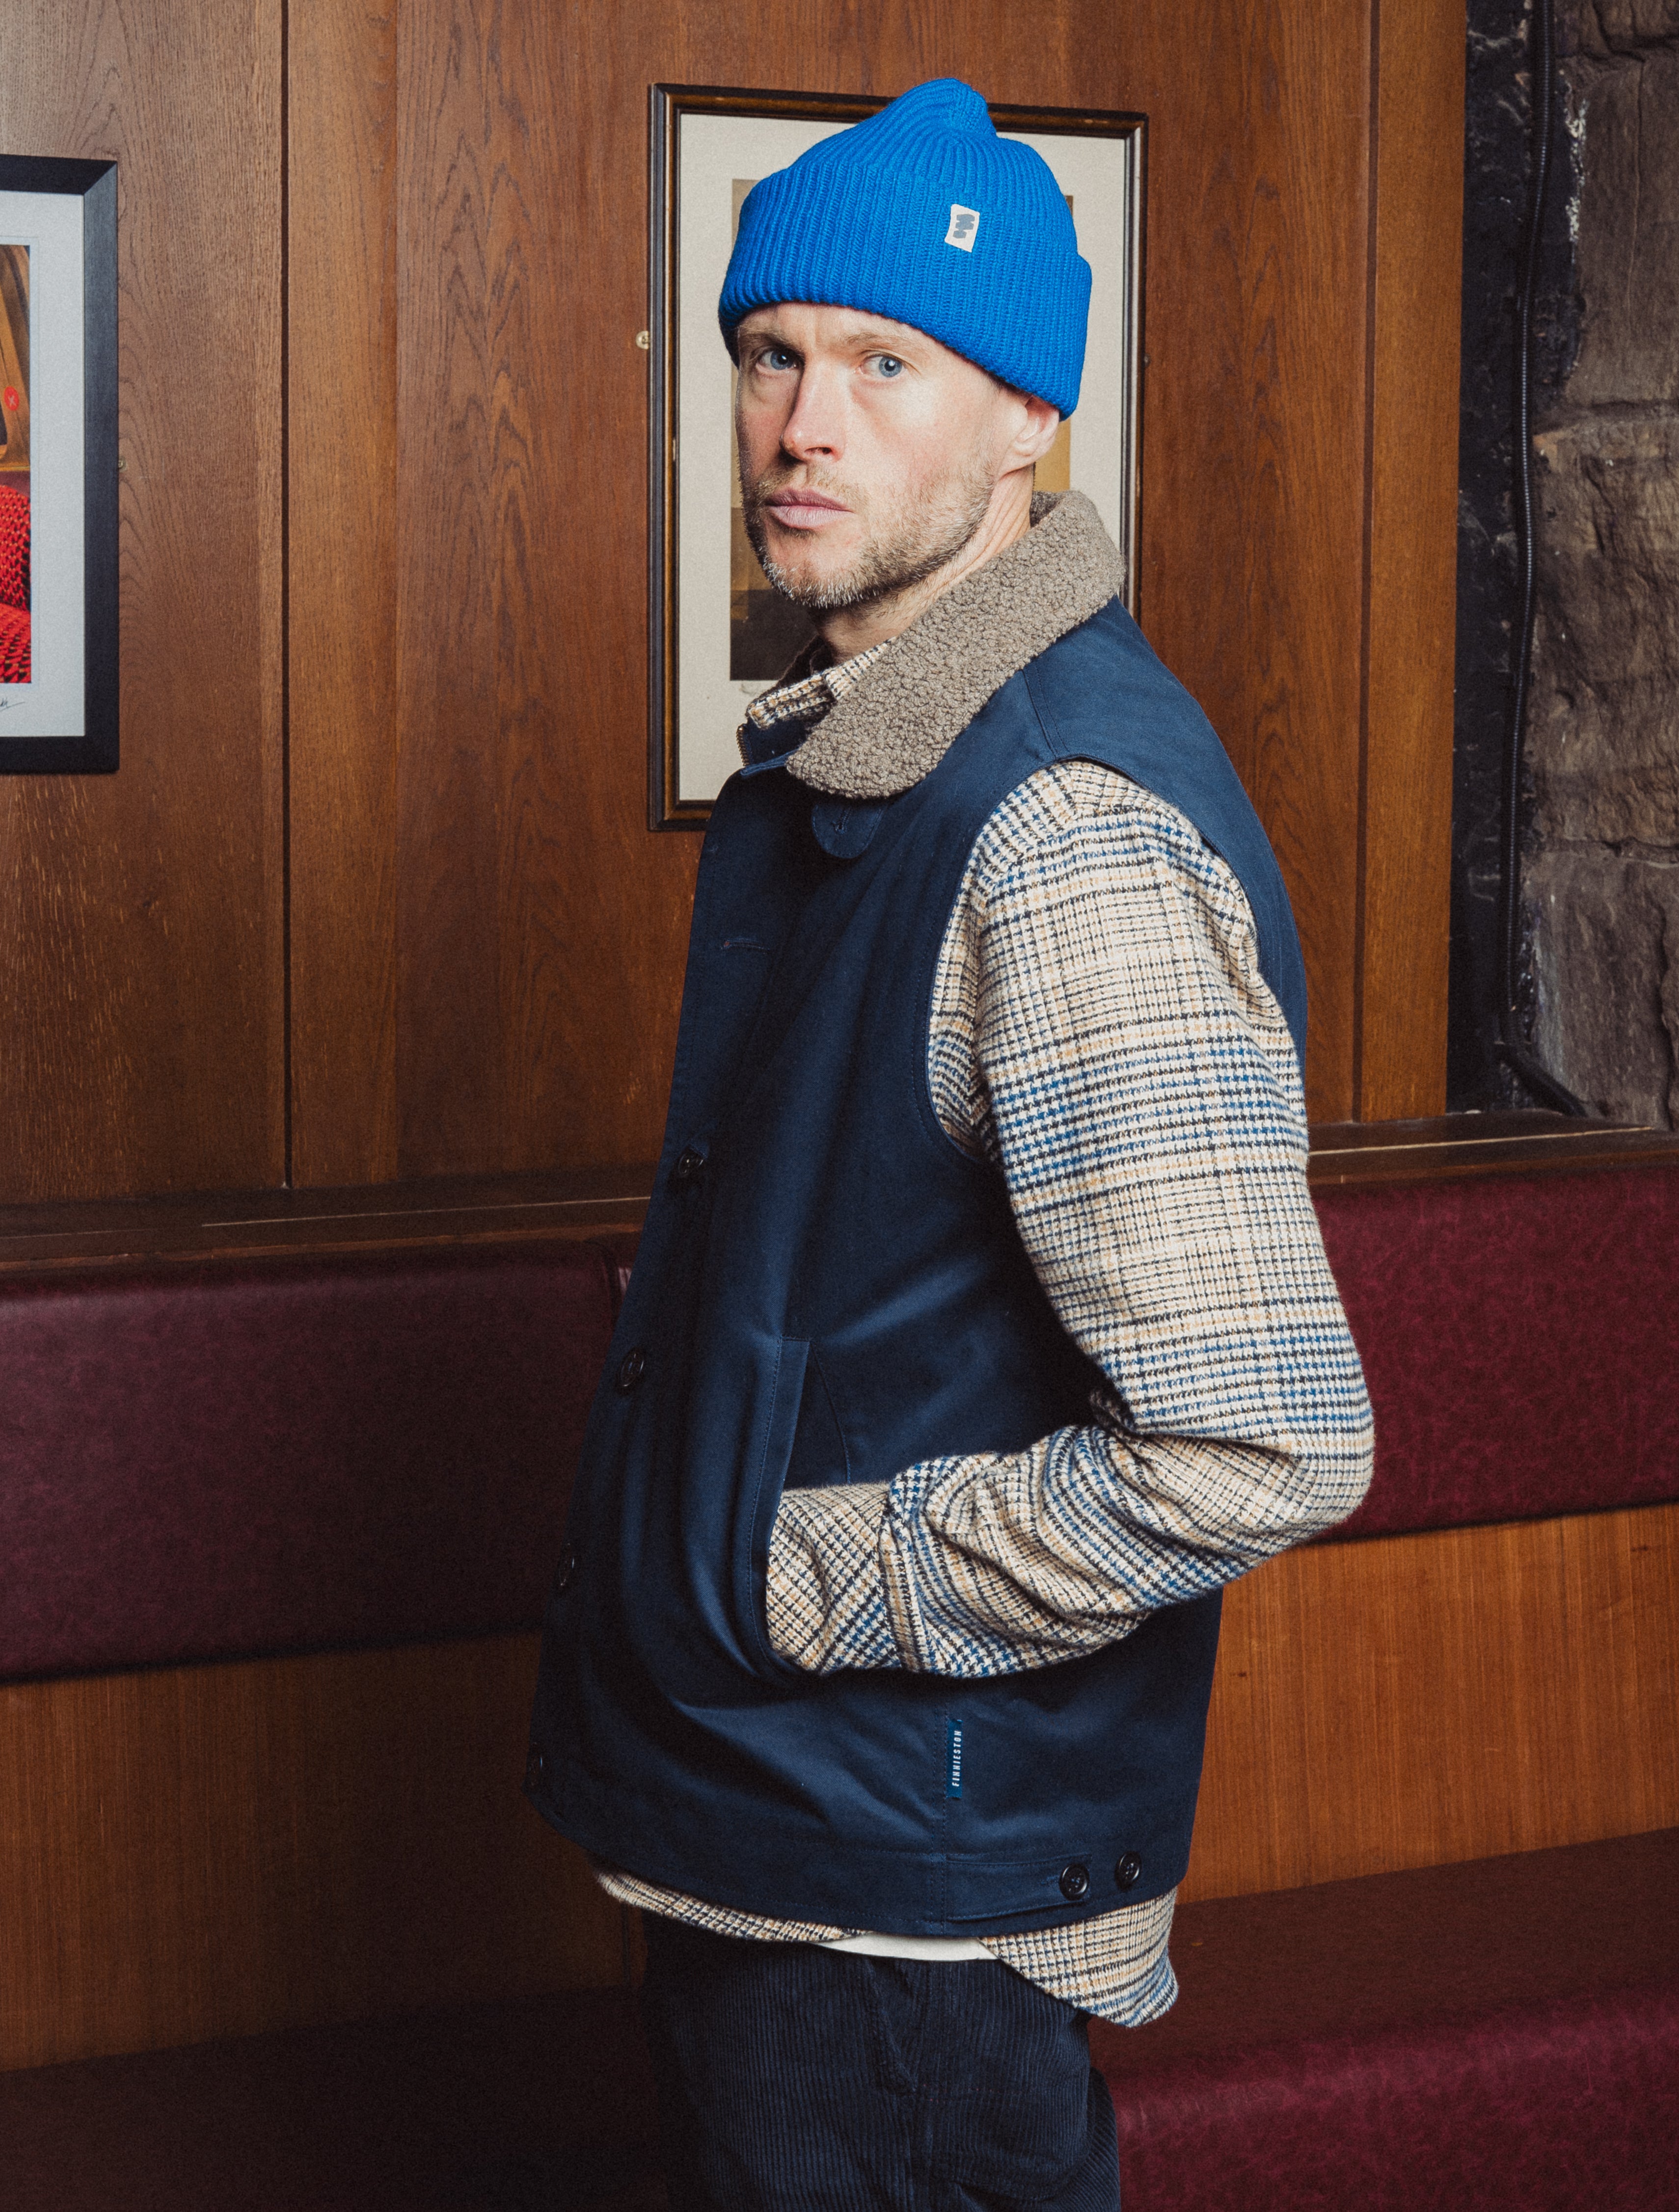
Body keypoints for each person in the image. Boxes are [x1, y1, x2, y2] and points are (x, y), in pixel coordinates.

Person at [527, 77, 1373, 2211]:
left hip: (899, 1898)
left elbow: (1262, 1438)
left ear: (1024, 425)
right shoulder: (865, 769)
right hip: (788, 1842)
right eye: (769, 352)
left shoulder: (1055, 823)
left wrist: (783, 1569)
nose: (805, 420)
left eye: (886, 362)